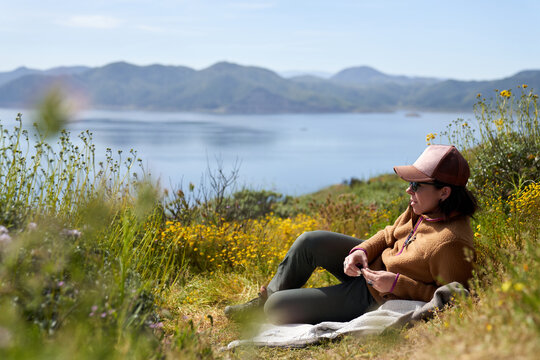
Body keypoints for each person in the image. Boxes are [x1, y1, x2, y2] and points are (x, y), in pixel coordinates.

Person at [224, 145, 477, 325]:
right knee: (309, 241)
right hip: (371, 268)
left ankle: (268, 305)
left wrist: (396, 284)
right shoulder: (424, 206)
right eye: (410, 184)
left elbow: (454, 297)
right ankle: (261, 301)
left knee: (277, 308)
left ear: (444, 192)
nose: (409, 191)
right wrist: (361, 251)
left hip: (375, 295)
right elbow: (389, 234)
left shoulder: (451, 243)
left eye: (416, 185)